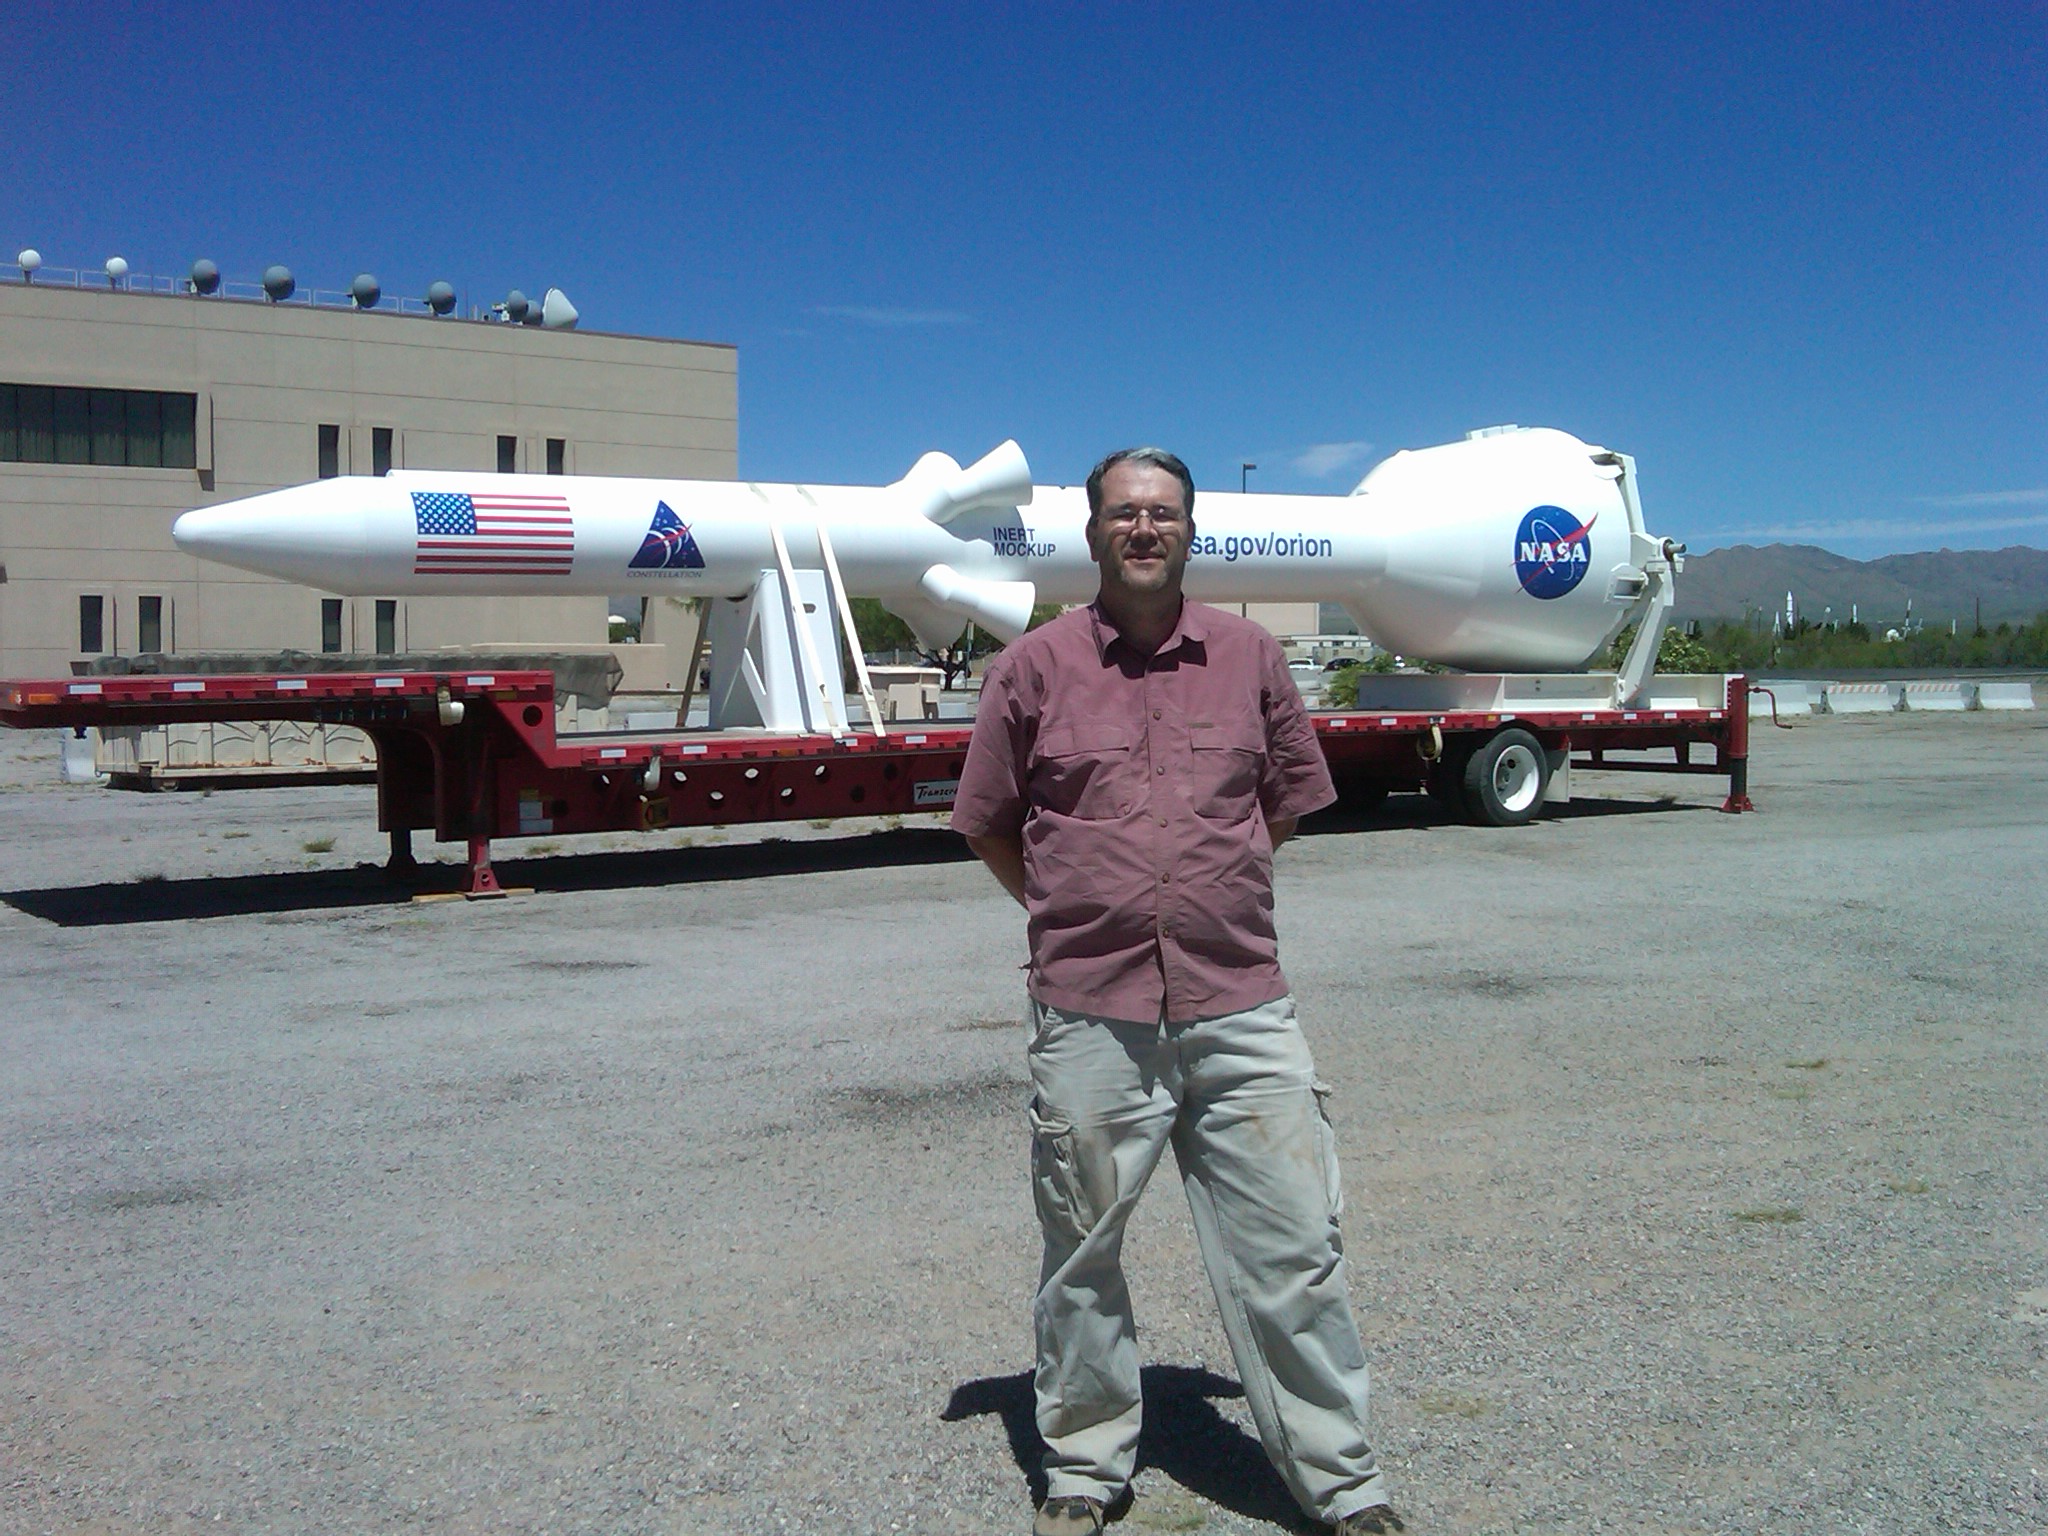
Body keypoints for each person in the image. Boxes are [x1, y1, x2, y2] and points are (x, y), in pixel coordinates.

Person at [951, 448, 1399, 1536]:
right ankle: (1084, 1468)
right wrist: (1080, 910)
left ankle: (1339, 1485)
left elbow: (1281, 808)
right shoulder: (1034, 668)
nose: (1140, 530)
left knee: (1293, 1248)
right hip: (1090, 1012)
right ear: (1092, 532)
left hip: (1239, 1002)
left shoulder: (1250, 657)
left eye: (1160, 514)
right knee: (1082, 1257)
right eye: (1121, 515)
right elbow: (989, 824)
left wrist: (1203, 894)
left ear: (1189, 530)